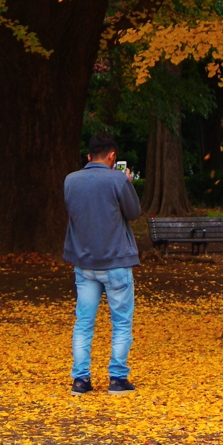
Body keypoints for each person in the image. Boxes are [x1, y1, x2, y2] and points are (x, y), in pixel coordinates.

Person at [63, 132, 140, 395]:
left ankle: (80, 380)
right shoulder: (118, 180)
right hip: (116, 260)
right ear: (112, 156)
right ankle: (117, 379)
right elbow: (134, 213)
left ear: (88, 156)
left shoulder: (70, 181)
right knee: (121, 322)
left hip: (84, 262)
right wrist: (127, 183)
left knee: (84, 322)